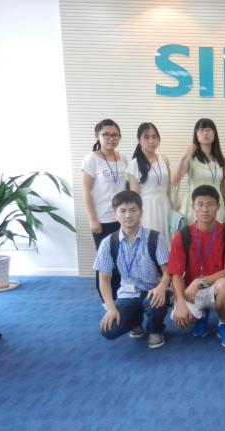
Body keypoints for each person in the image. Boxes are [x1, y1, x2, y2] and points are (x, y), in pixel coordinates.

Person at [94, 190, 170, 349]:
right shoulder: (108, 243)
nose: (128, 215)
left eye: (133, 210)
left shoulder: (155, 238)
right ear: (115, 214)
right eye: (122, 211)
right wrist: (110, 308)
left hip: (152, 291)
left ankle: (155, 329)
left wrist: (162, 287)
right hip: (127, 293)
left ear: (141, 212)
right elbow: (104, 279)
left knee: (156, 302)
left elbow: (168, 271)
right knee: (109, 330)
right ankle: (135, 321)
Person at [167, 185, 225, 348]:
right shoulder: (183, 235)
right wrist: (180, 303)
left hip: (216, 286)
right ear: (193, 207)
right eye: (200, 204)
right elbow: (176, 275)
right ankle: (201, 315)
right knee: (181, 318)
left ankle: (223, 323)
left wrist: (200, 281)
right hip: (192, 291)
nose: (205, 209)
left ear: (218, 207)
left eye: (210, 204)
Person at [82, 118, 128, 301]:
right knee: (105, 261)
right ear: (97, 136)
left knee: (122, 259)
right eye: (106, 134)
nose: (111, 138)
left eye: (115, 135)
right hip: (103, 219)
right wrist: (93, 219)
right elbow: (86, 191)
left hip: (123, 218)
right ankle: (107, 301)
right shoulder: (91, 159)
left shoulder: (122, 158)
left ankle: (121, 297)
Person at [172, 118, 225, 223]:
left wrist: (222, 205)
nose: (205, 133)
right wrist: (183, 157)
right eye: (201, 130)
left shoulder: (220, 159)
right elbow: (174, 181)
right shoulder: (191, 157)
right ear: (196, 134)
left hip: (215, 206)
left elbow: (222, 186)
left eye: (208, 130)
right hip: (195, 206)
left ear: (214, 133)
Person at [127, 122, 172, 243]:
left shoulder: (164, 159)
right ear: (139, 140)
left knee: (167, 241)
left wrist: (173, 206)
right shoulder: (134, 164)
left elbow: (169, 188)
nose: (151, 141)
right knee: (150, 241)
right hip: (147, 208)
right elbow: (134, 196)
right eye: (146, 137)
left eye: (154, 137)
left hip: (165, 205)